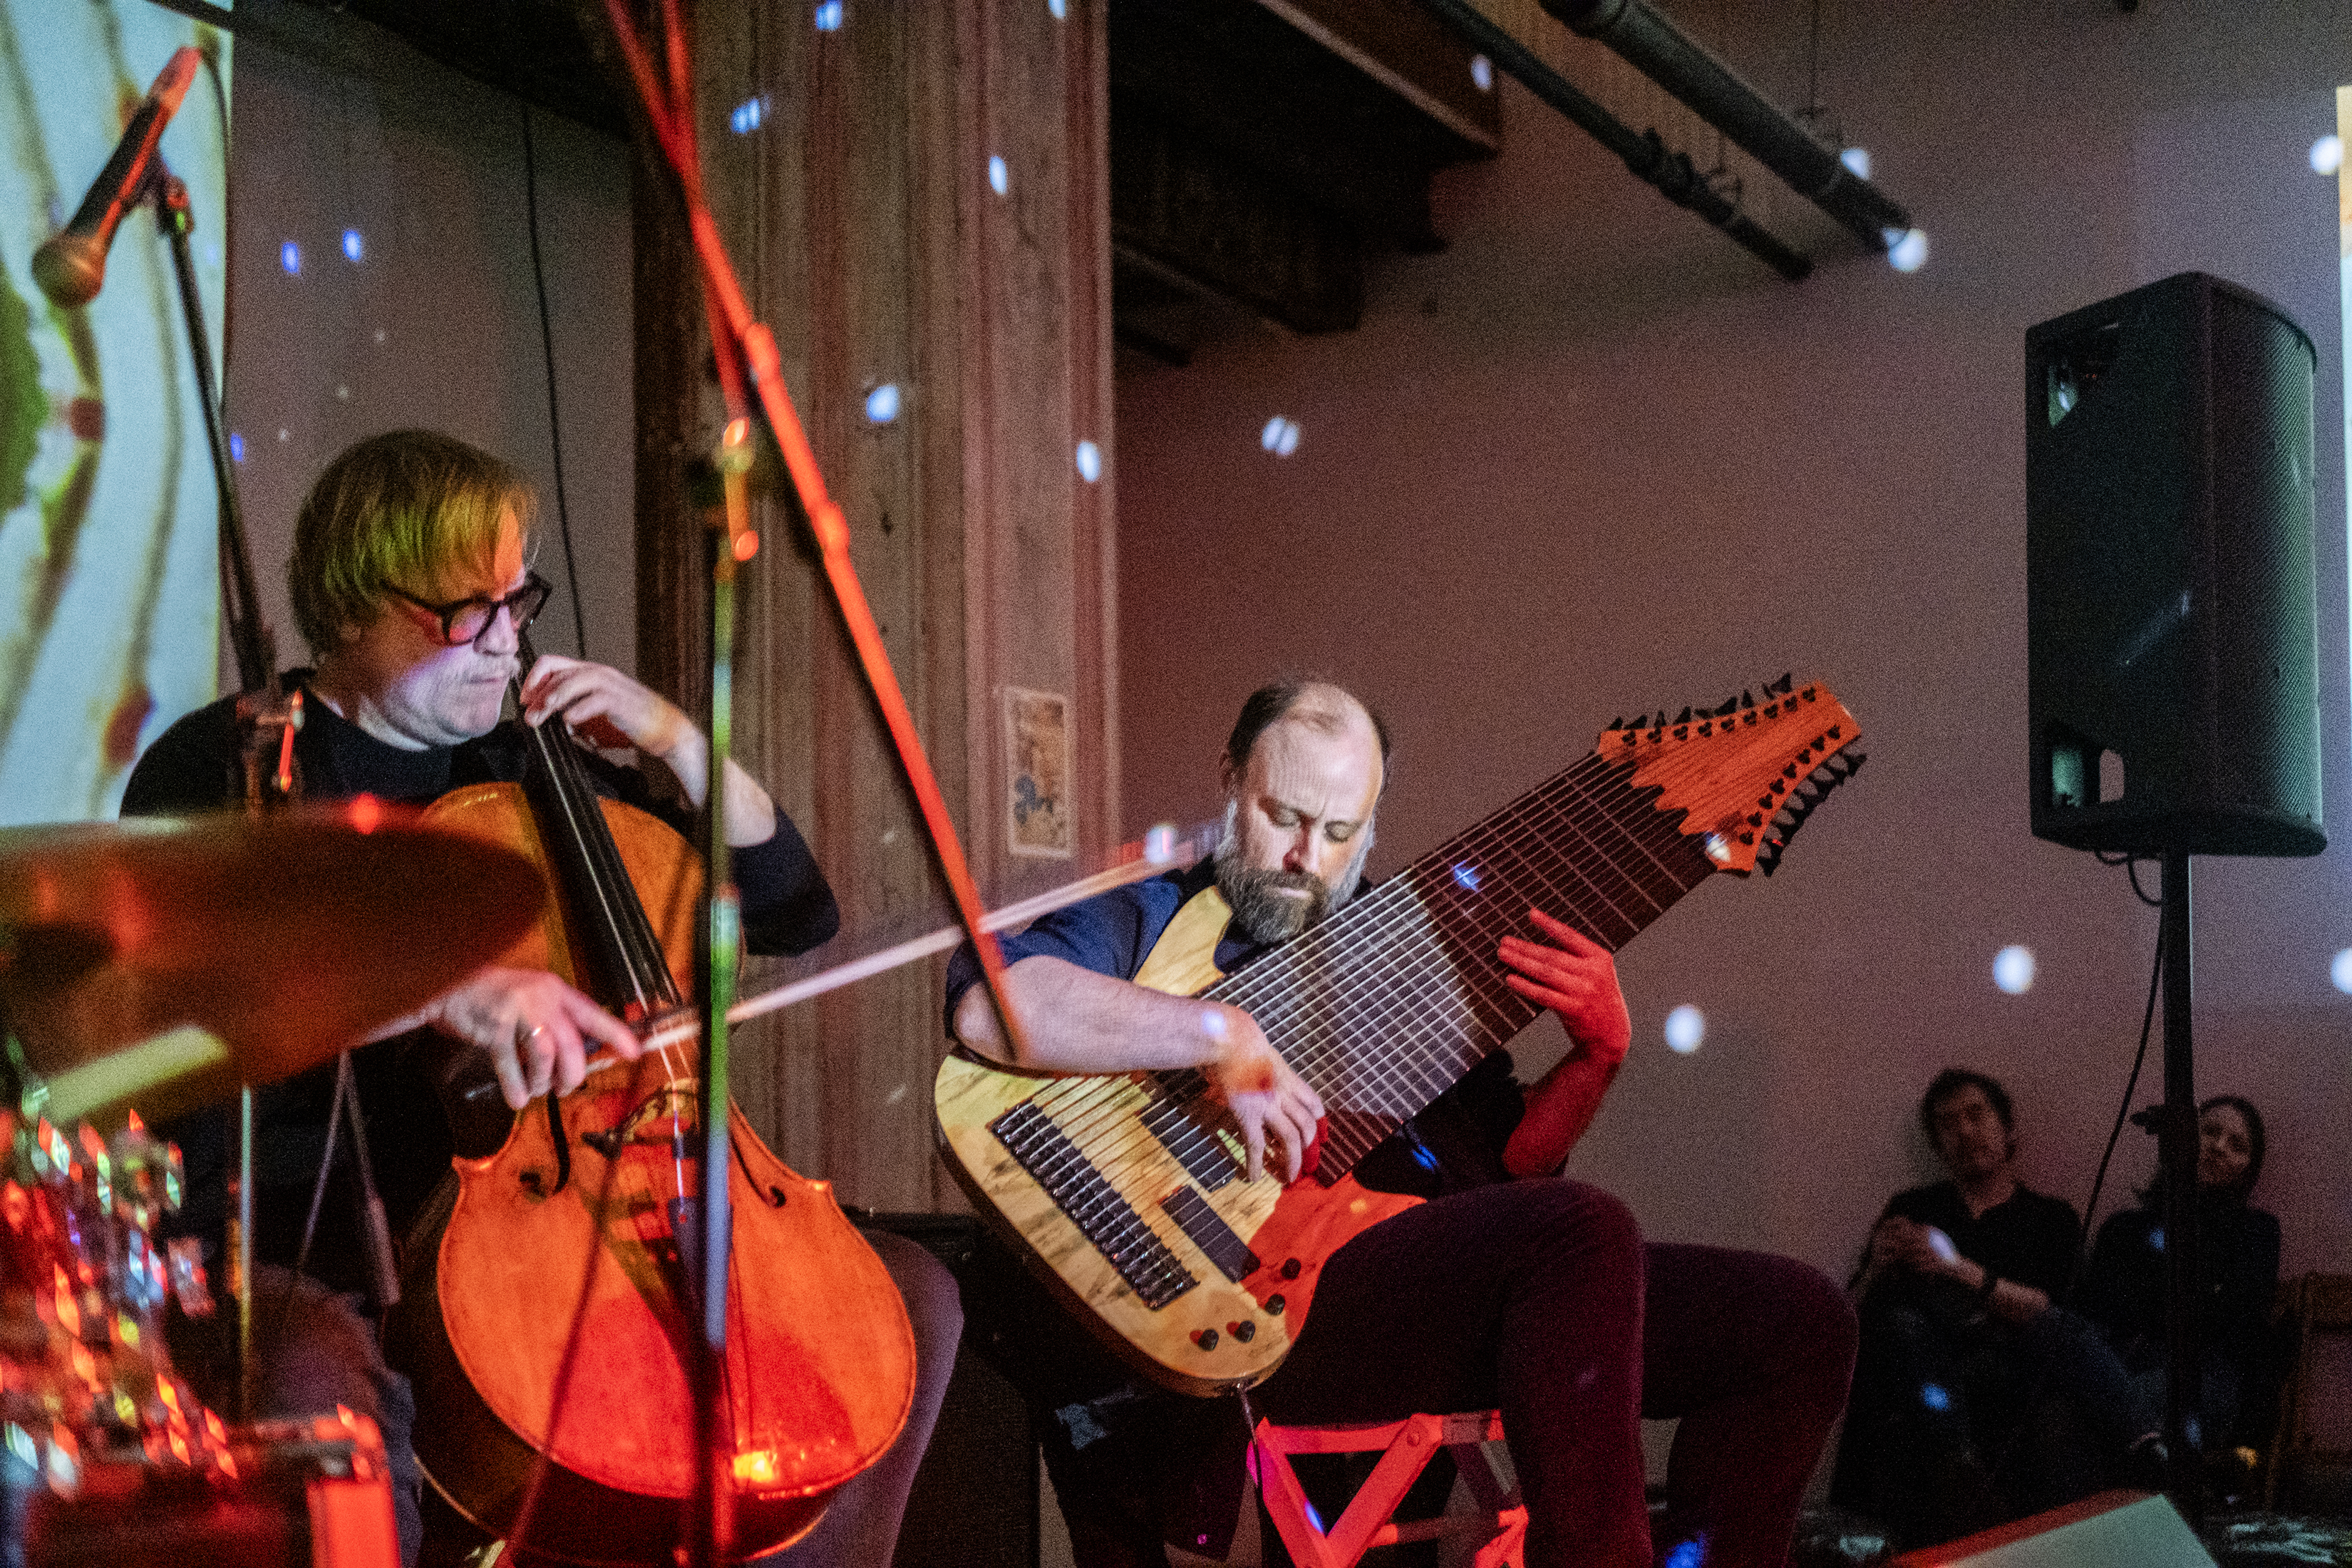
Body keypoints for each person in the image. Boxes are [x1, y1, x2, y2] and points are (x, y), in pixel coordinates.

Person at [120, 429, 958, 1567]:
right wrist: (441, 993)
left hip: (574, 1211)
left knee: (907, 1300)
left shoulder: (530, 767)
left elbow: (793, 913)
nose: (508, 642)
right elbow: (183, 991)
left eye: (522, 604)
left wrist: (676, 742)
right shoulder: (231, 764)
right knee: (324, 1385)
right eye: (471, 611)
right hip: (303, 1240)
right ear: (358, 602)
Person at [945, 678, 1857, 1568]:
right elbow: (995, 1005)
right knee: (1582, 1229)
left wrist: (1595, 1058)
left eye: (1340, 831)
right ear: (1230, 779)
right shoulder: (1150, 909)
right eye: (1283, 815)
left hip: (1427, 1287)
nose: (1307, 854)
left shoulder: (1400, 947)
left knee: (1797, 1322)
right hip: (1260, 1304)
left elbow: (1509, 1166)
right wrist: (1221, 1032)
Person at [1830, 1068, 2081, 1547]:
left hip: (2002, 1364)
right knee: (1899, 1328)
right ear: (1938, 1145)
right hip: (1916, 1363)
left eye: (1976, 1115)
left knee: (1913, 1329)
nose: (1964, 1131)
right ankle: (1958, 1466)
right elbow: (1851, 1321)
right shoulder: (1913, 1206)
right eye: (1948, 1124)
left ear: (2008, 1131)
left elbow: (2049, 1314)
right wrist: (1876, 1268)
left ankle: (1958, 1467)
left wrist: (1954, 1267)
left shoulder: (2051, 1218)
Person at [2014, 1095, 2281, 1508]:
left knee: (2088, 1418)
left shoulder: (2256, 1231)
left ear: (2248, 1168)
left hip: (2203, 1374)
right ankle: (2153, 1458)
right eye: (2210, 1132)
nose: (2218, 1147)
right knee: (2050, 1333)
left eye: (2237, 1145)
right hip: (2119, 1363)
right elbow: (2096, 1318)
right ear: (2183, 1138)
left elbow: (2227, 1320)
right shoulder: (2123, 1229)